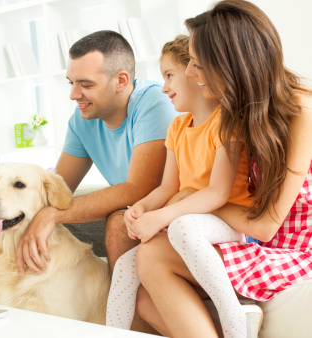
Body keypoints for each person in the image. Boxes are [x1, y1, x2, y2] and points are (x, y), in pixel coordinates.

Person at [126, 1, 312, 337]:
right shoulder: (236, 112)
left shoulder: (301, 111)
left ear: (231, 63)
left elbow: (268, 226)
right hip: (249, 234)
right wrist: (180, 202)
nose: (191, 73)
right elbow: (212, 192)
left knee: (155, 257)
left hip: (289, 246)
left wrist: (183, 201)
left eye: (197, 64)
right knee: (144, 290)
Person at [106, 34, 256, 336]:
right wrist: (142, 208)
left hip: (230, 224)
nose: (164, 88)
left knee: (182, 227)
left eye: (169, 75)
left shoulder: (227, 122)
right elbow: (168, 187)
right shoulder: (177, 127)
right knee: (124, 267)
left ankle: (235, 320)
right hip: (189, 220)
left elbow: (217, 193)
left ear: (195, 72)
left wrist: (161, 217)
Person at [16, 30, 177, 276]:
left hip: (167, 209)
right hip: (130, 209)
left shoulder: (154, 101)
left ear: (121, 80)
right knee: (25, 219)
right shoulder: (82, 120)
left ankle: (125, 314)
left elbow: (138, 189)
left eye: (86, 84)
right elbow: (59, 190)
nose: (74, 95)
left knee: (116, 224)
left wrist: (51, 214)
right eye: (72, 83)